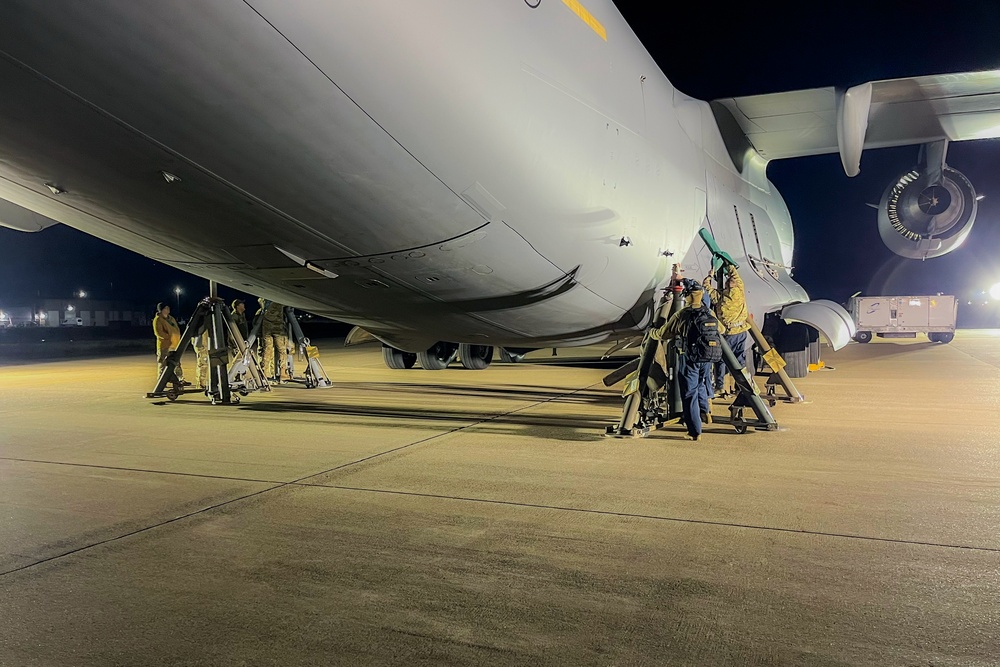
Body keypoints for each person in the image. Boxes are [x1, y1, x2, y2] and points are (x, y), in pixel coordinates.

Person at [659, 284, 722, 441]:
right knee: (701, 384)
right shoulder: (709, 312)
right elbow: (722, 330)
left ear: (686, 296)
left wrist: (653, 333)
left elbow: (664, 333)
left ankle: (695, 431)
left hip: (690, 357)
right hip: (707, 356)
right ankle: (705, 411)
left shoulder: (683, 314)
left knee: (689, 393)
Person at [704, 266, 750, 396]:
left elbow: (706, 287)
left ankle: (720, 386)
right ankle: (742, 386)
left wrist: (710, 275)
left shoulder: (720, 298)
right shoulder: (740, 291)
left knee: (721, 360)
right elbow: (735, 276)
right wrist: (729, 266)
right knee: (740, 360)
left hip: (729, 334)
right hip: (741, 331)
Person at [257, 298, 290, 383]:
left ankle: (264, 372)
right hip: (277, 327)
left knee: (267, 350)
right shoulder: (278, 301)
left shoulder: (262, 301)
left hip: (267, 328)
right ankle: (283, 372)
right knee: (282, 350)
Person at [152, 302, 185, 385]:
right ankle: (161, 381)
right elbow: (159, 333)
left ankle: (180, 379)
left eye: (168, 308)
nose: (167, 310)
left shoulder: (171, 319)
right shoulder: (158, 320)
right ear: (161, 310)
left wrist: (176, 337)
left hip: (175, 345)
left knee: (177, 363)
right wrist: (170, 337)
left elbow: (176, 329)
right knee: (163, 363)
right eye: (165, 308)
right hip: (165, 346)